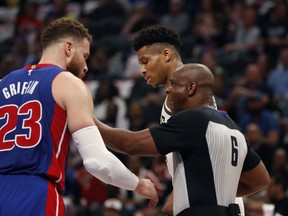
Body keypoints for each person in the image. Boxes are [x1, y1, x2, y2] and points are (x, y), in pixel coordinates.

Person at [0, 18, 158, 216]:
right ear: (68, 48)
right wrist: (137, 184)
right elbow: (97, 162)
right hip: (36, 195)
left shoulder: (3, 82)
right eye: (84, 56)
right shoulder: (68, 83)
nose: (86, 67)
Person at [95, 63, 270, 216]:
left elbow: (131, 144)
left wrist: (88, 121)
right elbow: (261, 180)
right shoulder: (233, 127)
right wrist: (215, 193)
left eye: (174, 84)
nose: (168, 90)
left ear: (191, 88)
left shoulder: (193, 119)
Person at [131, 25, 245, 215]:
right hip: (206, 198)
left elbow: (204, 155)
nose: (142, 70)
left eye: (145, 61)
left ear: (166, 55)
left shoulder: (190, 94)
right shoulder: (180, 94)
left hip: (210, 204)